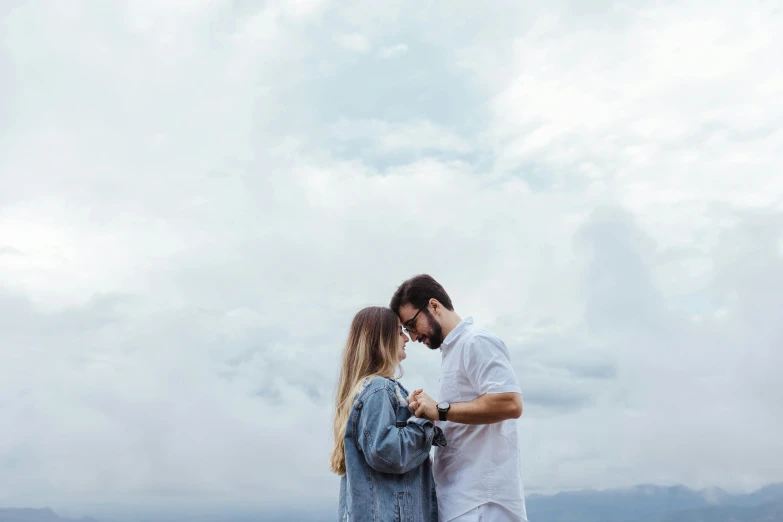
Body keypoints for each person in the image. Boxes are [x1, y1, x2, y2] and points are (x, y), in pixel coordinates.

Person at [390, 275, 529, 522]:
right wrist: (428, 413)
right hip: (462, 501)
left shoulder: (476, 341)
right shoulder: (453, 351)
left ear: (434, 306)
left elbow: (510, 402)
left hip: (482, 503)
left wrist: (440, 410)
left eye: (412, 324)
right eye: (406, 330)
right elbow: (460, 416)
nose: (412, 337)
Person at [330, 306, 447, 522]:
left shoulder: (368, 390)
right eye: (400, 331)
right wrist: (423, 421)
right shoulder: (379, 389)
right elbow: (385, 451)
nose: (406, 338)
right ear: (382, 339)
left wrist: (409, 412)